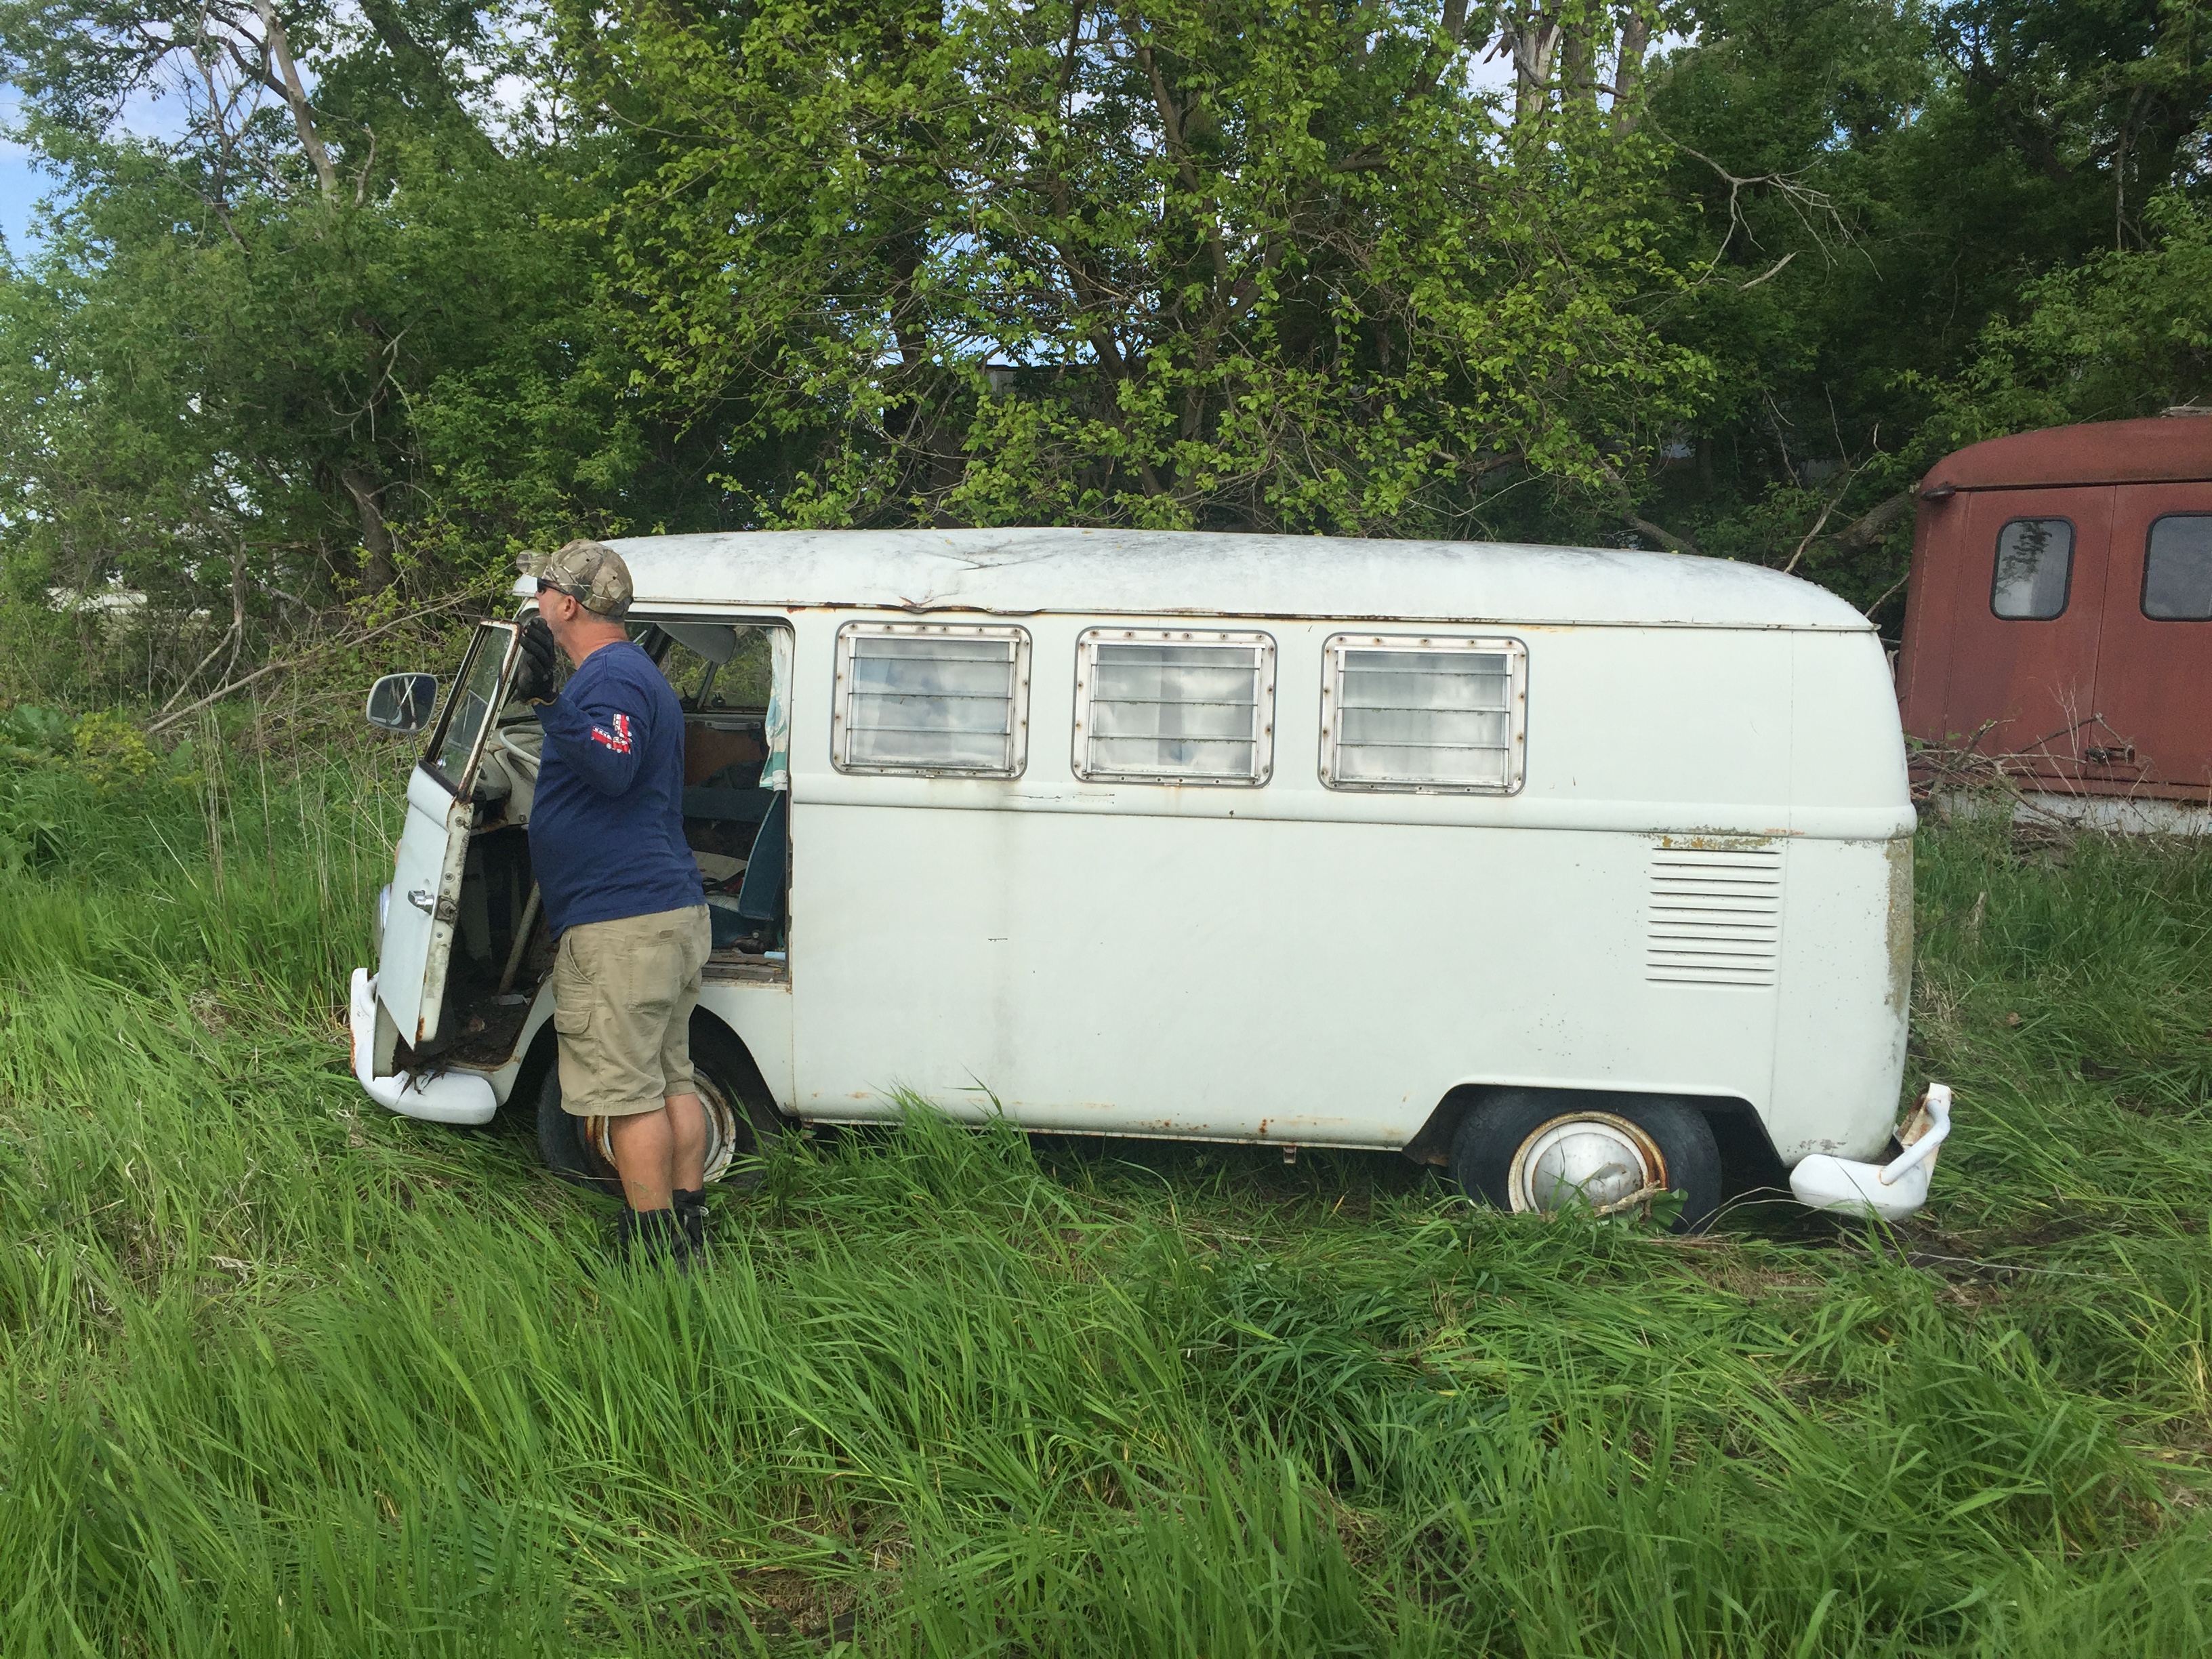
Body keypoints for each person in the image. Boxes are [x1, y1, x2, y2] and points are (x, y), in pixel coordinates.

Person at [510, 538, 712, 1268]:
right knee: (671, 1078)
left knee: (628, 1095)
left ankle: (653, 1246)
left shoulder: (613, 675)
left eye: (542, 588)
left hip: (624, 927)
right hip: (662, 913)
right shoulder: (630, 673)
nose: (536, 600)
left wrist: (545, 699)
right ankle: (689, 1225)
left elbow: (612, 762)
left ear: (566, 605)